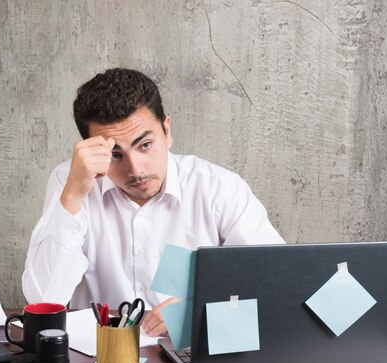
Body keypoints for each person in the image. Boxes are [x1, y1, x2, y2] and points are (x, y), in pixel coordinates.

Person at [22, 68, 284, 337]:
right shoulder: (71, 181)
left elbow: (277, 281)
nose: (135, 170)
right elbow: (42, 299)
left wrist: (204, 310)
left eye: (145, 145)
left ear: (167, 130)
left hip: (191, 355)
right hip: (98, 360)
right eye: (115, 154)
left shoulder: (219, 188)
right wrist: (74, 195)